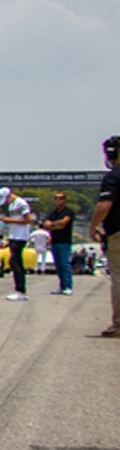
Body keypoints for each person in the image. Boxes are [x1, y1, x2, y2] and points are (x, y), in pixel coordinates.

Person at [92, 136, 120, 337]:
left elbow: (104, 205)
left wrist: (93, 226)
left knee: (118, 277)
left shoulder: (113, 177)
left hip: (117, 232)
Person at [0, 186, 34, 300]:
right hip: (13, 236)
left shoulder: (21, 203)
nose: (6, 203)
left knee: (14, 262)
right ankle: (21, 290)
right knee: (17, 263)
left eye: (6, 200)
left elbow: (28, 219)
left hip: (20, 236)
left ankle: (20, 290)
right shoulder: (12, 205)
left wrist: (9, 220)